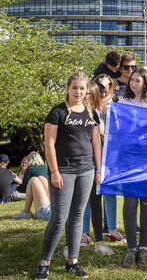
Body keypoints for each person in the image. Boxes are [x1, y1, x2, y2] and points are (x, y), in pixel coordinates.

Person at [34, 72, 102, 280]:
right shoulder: (58, 112)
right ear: (68, 88)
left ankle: (73, 261)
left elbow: (96, 143)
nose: (79, 92)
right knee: (59, 218)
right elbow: (49, 144)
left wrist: (98, 170)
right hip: (63, 171)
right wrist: (54, 172)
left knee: (77, 217)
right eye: (75, 88)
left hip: (86, 170)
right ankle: (45, 262)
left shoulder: (92, 113)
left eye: (82, 89)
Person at [118, 68, 147, 268]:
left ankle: (143, 247)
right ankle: (131, 248)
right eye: (132, 80)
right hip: (129, 158)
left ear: (146, 83)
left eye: (138, 80)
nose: (133, 83)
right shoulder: (122, 103)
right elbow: (120, 130)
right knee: (129, 203)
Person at [79, 81, 114, 255]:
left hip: (94, 164)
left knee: (95, 201)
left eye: (90, 96)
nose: (86, 98)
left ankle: (99, 240)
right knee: (80, 203)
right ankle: (81, 235)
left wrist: (99, 169)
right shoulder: (73, 114)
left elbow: (99, 142)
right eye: (85, 95)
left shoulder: (96, 115)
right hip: (78, 164)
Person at [93, 75, 125, 245]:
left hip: (112, 154)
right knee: (92, 194)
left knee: (110, 191)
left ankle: (112, 229)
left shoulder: (118, 105)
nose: (104, 91)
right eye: (101, 88)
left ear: (112, 88)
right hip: (93, 154)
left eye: (107, 88)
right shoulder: (90, 104)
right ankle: (85, 232)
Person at [13, 151, 50, 221]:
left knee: (33, 180)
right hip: (50, 202)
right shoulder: (46, 167)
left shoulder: (30, 168)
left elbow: (24, 185)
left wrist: (17, 188)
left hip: (45, 208)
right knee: (41, 178)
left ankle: (26, 212)